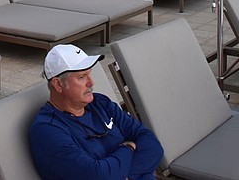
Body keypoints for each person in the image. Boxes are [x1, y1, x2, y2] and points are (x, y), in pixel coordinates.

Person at [29, 44, 164, 180]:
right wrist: (129, 148)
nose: (91, 82)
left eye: (90, 74)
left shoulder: (100, 104)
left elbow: (152, 145)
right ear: (58, 84)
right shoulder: (48, 130)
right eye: (82, 77)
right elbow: (99, 175)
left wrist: (126, 176)